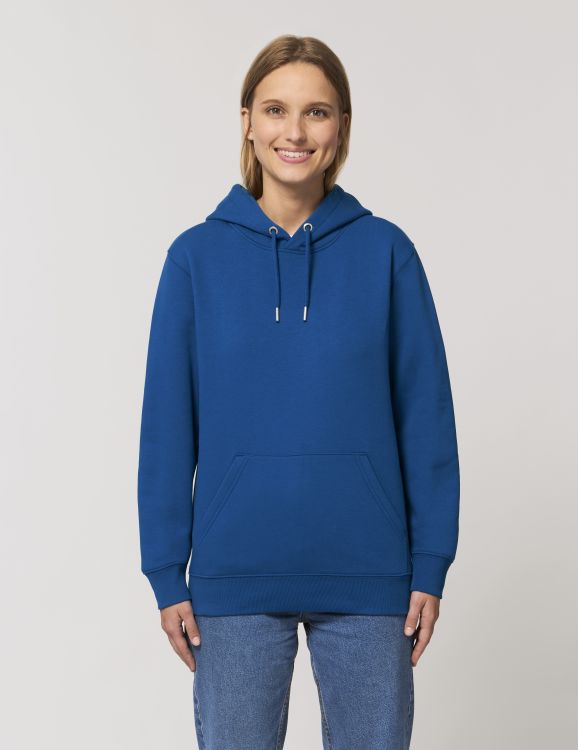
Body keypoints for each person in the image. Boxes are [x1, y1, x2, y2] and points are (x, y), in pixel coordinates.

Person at [137, 34, 460, 750]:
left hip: (371, 577)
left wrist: (431, 563)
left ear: (341, 125)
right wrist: (166, 573)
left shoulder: (387, 252)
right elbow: (167, 428)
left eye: (316, 111)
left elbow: (426, 419)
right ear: (248, 121)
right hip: (234, 578)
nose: (295, 131)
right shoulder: (194, 259)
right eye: (276, 109)